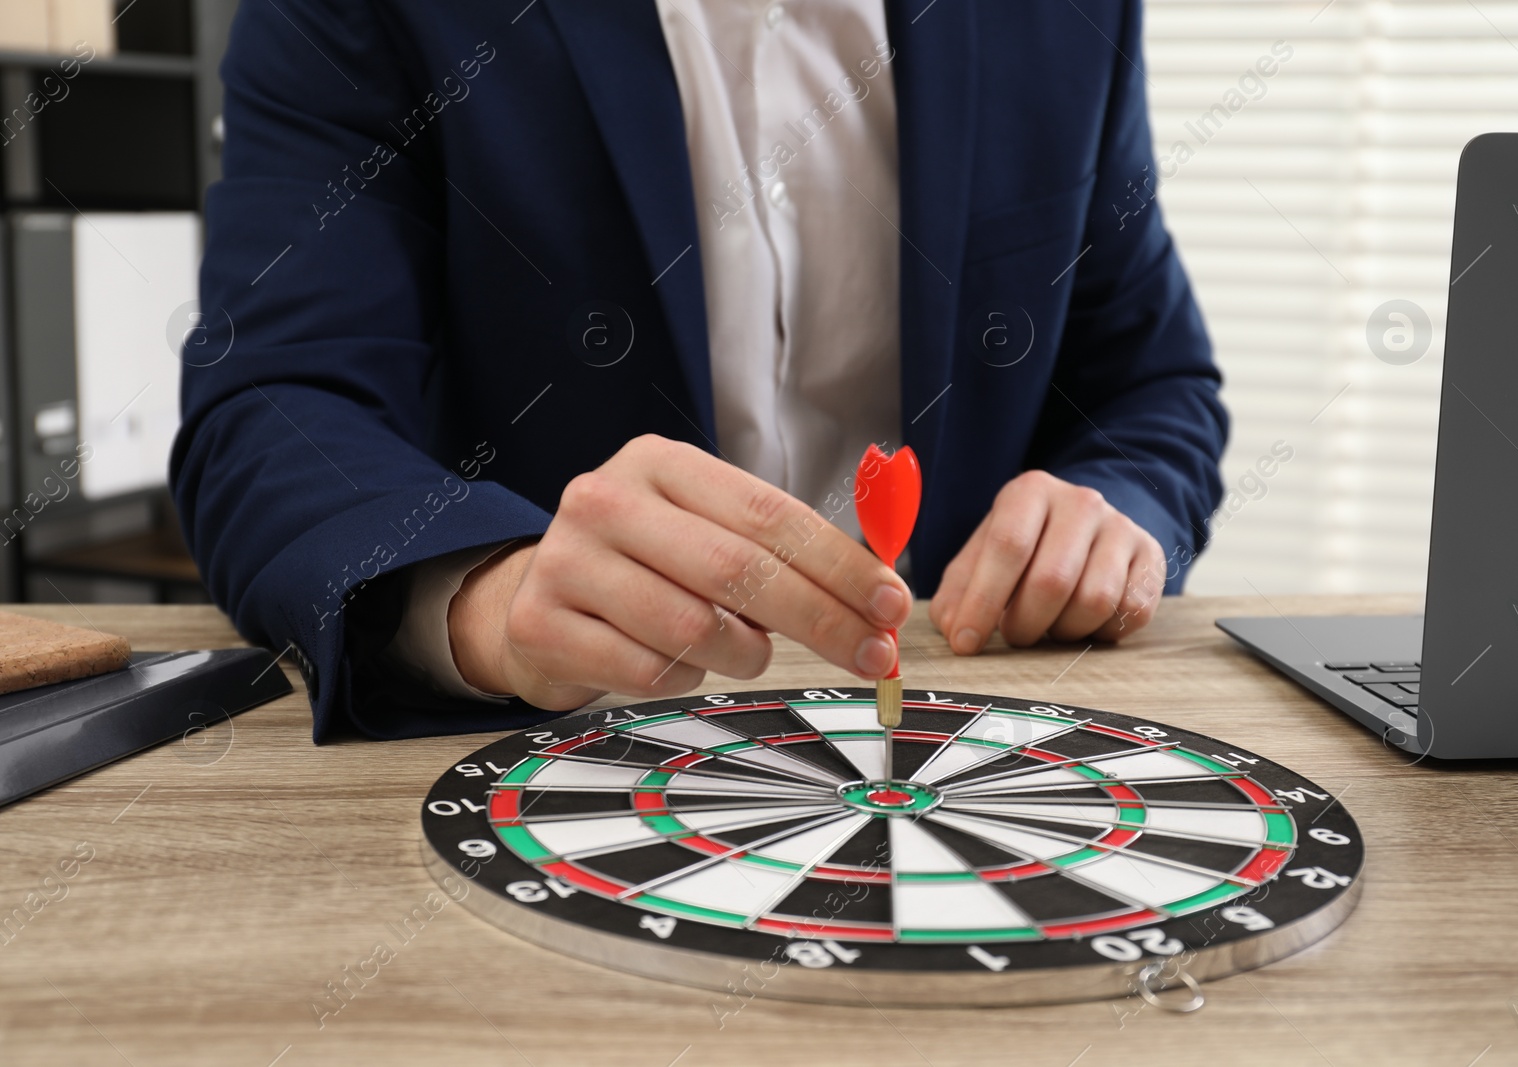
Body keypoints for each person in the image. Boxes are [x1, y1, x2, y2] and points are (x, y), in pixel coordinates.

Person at [172, 0, 1227, 741]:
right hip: (563, 749)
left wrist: (1111, 503)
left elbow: (1151, 384)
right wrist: (482, 595)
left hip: (960, 736)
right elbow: (274, 403)